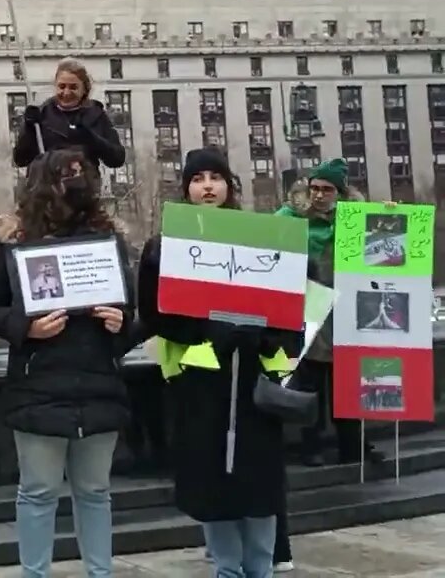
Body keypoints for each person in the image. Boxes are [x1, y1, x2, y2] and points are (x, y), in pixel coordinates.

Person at [135, 148, 297, 578]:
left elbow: (291, 309)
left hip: (255, 383)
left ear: (230, 185)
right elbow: (154, 314)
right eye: (197, 178)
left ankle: (260, 569)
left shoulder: (260, 236)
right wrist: (206, 333)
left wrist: (261, 335)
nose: (207, 186)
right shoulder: (164, 245)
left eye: (216, 177)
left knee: (260, 484)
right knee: (213, 484)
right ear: (186, 188)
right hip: (200, 381)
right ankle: (227, 569)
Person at [0, 149, 135, 578]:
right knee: (38, 491)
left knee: (95, 490)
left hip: (98, 382)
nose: (76, 180)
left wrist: (121, 322)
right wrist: (26, 329)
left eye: (82, 172)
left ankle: (100, 573)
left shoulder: (108, 239)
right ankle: (35, 573)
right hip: (39, 385)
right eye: (66, 174)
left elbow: (132, 312)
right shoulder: (13, 242)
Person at [275, 159, 384, 467]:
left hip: (348, 311)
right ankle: (311, 445)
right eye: (315, 188)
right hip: (308, 308)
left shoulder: (354, 221)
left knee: (349, 383)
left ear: (340, 192)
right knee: (310, 383)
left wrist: (391, 214)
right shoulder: (290, 217)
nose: (320, 195)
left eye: (327, 189)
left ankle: (354, 445)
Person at [13, 57, 126, 175]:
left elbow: (117, 159)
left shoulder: (96, 115)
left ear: (84, 89)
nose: (66, 93)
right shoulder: (40, 116)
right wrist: (28, 129)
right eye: (62, 86)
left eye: (73, 87)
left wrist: (91, 139)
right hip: (47, 189)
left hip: (85, 188)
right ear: (55, 86)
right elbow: (20, 160)